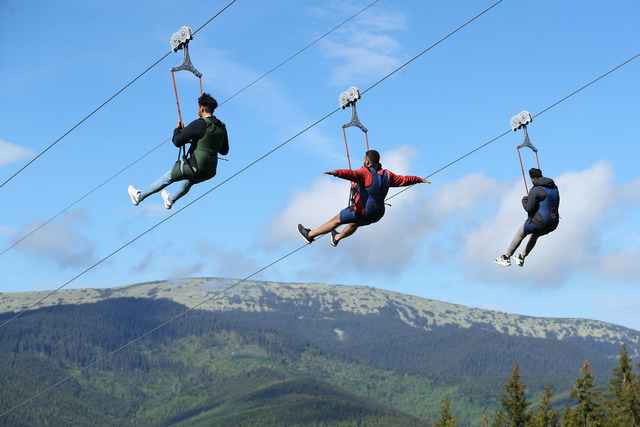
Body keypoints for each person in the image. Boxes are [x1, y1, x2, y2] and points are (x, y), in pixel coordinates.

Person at [297, 150, 430, 247]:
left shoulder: (365, 173)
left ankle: (309, 235)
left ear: (367, 161)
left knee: (337, 220)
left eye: (364, 159)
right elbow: (405, 179)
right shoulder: (387, 175)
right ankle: (336, 237)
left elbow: (351, 174)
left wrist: (336, 173)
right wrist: (419, 180)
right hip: (377, 214)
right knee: (355, 223)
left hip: (363, 211)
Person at [128, 92, 229, 209]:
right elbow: (224, 150)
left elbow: (177, 141)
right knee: (190, 181)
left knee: (168, 177)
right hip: (210, 171)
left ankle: (139, 196)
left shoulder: (200, 123)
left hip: (195, 167)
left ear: (201, 108)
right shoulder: (221, 126)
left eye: (198, 107)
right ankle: (170, 200)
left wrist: (177, 130)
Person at [495, 168, 560, 267]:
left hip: (541, 222)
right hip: (553, 223)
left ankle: (507, 257)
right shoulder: (554, 187)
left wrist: (525, 198)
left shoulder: (535, 190)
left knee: (521, 232)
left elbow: (529, 208)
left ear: (532, 179)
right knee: (535, 234)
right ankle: (521, 257)